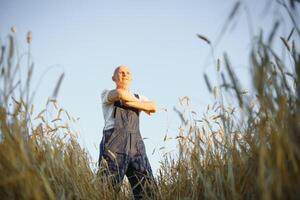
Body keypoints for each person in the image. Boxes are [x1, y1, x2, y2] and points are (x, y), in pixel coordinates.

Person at [98, 65, 157, 199]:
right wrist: (142, 106)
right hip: (114, 143)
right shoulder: (106, 93)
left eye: (128, 73)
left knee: (147, 190)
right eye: (121, 72)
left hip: (137, 146)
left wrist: (128, 102)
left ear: (131, 78)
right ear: (114, 78)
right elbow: (120, 94)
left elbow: (153, 106)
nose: (125, 75)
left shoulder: (139, 96)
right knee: (107, 188)